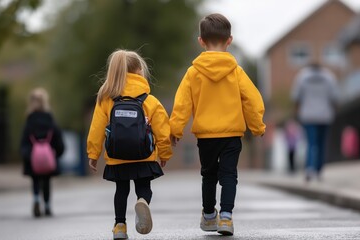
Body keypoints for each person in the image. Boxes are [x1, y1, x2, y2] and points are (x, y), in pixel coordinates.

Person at [169, 13, 266, 236]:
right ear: (229, 40)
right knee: (229, 175)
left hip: (206, 136)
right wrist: (257, 125)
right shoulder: (237, 72)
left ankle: (209, 214)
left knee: (209, 175)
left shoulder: (193, 73)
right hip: (232, 134)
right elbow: (252, 99)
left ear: (201, 41)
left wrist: (175, 130)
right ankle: (226, 218)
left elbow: (182, 104)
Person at [86, 49, 172, 240]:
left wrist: (93, 154)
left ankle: (119, 226)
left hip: (117, 157)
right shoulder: (149, 100)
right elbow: (162, 130)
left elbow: (96, 128)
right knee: (144, 188)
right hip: (144, 155)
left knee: (121, 191)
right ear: (139, 71)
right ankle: (142, 201)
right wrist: (165, 153)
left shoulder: (106, 99)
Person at [20, 88, 65, 218]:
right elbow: (57, 137)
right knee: (46, 181)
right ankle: (47, 206)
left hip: (33, 157)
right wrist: (57, 152)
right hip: (47, 157)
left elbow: (24, 139)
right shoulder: (49, 118)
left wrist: (27, 154)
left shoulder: (30, 119)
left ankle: (35, 199)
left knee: (35, 180)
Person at [291, 62, 339, 182]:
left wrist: (297, 113)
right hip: (324, 115)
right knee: (322, 144)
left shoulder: (302, 77)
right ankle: (319, 170)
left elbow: (296, 97)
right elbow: (335, 97)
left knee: (311, 143)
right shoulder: (329, 77)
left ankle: (309, 168)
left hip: (308, 116)